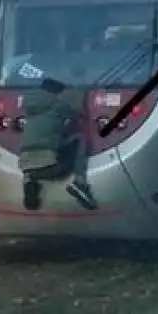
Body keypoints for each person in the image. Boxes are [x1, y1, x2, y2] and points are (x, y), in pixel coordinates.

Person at [17, 70, 98, 211]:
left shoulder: (29, 105)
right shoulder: (57, 103)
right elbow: (76, 113)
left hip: (25, 166)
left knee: (37, 145)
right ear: (54, 92)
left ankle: (30, 181)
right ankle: (79, 183)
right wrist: (79, 93)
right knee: (79, 139)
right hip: (50, 166)